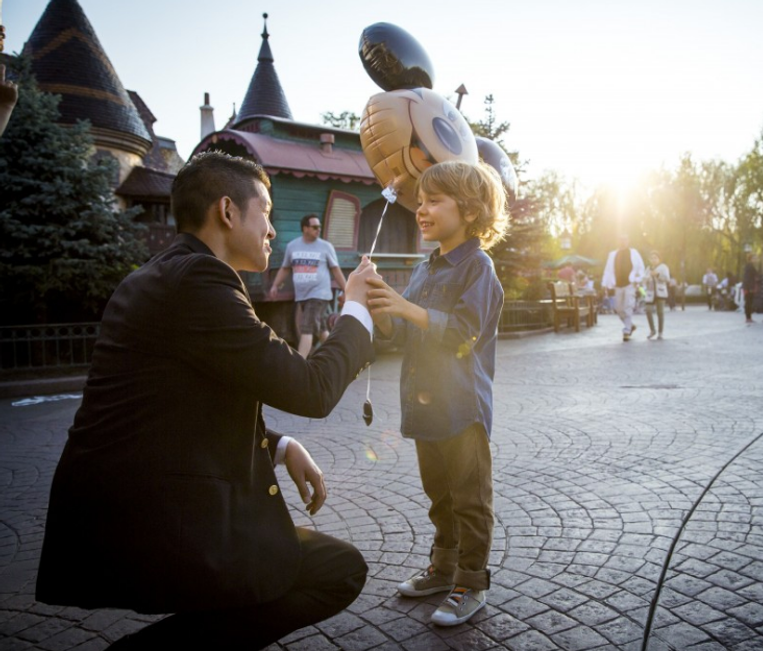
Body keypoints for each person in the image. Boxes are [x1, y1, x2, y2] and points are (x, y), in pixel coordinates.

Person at [36, 152, 381, 650]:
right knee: (338, 571)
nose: (272, 229)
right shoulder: (199, 281)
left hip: (133, 501)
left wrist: (280, 446)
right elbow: (312, 388)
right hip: (157, 516)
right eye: (266, 211)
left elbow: (180, 404)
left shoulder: (166, 274)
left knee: (276, 577)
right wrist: (356, 308)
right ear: (227, 210)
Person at [366, 160, 509, 627]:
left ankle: (471, 582)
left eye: (434, 201)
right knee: (439, 496)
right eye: (420, 202)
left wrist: (406, 308)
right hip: (423, 403)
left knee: (470, 500)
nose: (421, 210)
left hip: (462, 407)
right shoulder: (424, 268)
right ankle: (443, 569)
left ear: (468, 210)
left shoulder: (478, 268)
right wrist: (380, 303)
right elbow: (403, 333)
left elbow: (464, 334)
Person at [269, 214, 347, 357]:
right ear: (305, 228)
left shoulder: (325, 246)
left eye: (319, 227)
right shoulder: (292, 246)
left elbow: (335, 270)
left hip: (318, 294)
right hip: (302, 295)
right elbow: (285, 268)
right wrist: (275, 285)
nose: (319, 230)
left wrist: (346, 289)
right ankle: (338, 355)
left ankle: (300, 362)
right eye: (315, 227)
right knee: (321, 329)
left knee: (307, 329)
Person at [602, 234, 645, 341]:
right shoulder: (612, 254)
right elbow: (607, 270)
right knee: (618, 308)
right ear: (618, 241)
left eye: (625, 239)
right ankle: (629, 325)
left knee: (628, 306)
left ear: (628, 241)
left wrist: (637, 280)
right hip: (617, 285)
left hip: (630, 284)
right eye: (621, 240)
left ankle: (626, 330)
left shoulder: (634, 253)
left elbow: (641, 267)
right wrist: (604, 284)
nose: (623, 241)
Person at [643, 250, 670, 340]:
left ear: (659, 259)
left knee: (660, 312)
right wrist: (647, 278)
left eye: (655, 258)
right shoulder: (648, 268)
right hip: (650, 293)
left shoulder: (663, 267)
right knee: (648, 310)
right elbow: (644, 280)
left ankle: (660, 332)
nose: (653, 260)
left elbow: (667, 279)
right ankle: (652, 330)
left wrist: (657, 275)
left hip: (660, 292)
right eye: (652, 258)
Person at [743, 252, 759, 323]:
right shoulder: (749, 266)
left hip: (750, 286)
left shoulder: (751, 266)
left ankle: (749, 317)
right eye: (754, 258)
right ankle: (748, 317)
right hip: (748, 287)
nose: (755, 259)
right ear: (750, 259)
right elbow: (747, 277)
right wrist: (749, 287)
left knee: (749, 302)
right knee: (748, 302)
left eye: (756, 258)